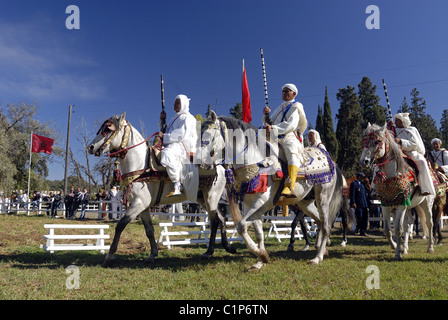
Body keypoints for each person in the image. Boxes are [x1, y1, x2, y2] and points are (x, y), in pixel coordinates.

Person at [262, 83, 308, 198]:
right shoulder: (279, 108)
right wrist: (266, 116)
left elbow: (291, 124)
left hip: (289, 135)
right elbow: (271, 123)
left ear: (294, 93)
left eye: (287, 91)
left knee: (291, 152)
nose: (284, 93)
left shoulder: (296, 106)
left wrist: (273, 128)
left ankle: (289, 186)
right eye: (283, 91)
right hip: (276, 136)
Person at [158, 94, 198, 197]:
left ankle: (177, 184)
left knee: (167, 153)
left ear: (184, 104)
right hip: (173, 144)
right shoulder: (173, 119)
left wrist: (165, 136)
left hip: (183, 146)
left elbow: (182, 134)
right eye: (175, 102)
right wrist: (162, 121)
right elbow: (165, 131)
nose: (174, 104)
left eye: (177, 102)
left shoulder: (188, 118)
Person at [393, 113, 435, 196]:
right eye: (395, 121)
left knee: (422, 162)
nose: (396, 122)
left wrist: (401, 141)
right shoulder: (394, 131)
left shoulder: (411, 130)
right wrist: (389, 127)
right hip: (398, 154)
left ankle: (425, 188)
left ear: (403, 122)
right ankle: (375, 189)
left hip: (411, 153)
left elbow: (414, 144)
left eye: (398, 121)